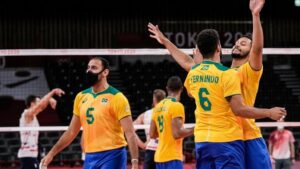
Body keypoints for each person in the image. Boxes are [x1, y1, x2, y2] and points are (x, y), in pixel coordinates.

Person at [148, 0, 273, 168]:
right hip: (226, 137)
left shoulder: (249, 70)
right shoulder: (220, 72)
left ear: (249, 52)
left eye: (243, 44)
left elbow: (258, 48)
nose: (237, 44)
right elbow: (188, 62)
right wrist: (165, 42)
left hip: (248, 136)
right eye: (237, 42)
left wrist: (255, 15)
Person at [40, 57, 139, 169]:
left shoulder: (117, 98)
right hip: (90, 155)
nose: (89, 71)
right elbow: (72, 131)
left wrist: (135, 162)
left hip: (113, 154)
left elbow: (130, 133)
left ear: (105, 72)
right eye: (88, 68)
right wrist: (51, 153)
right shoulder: (81, 96)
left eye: (94, 68)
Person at [149, 76, 194, 169]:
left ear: (167, 88)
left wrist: (165, 132)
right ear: (181, 89)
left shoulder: (157, 107)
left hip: (159, 157)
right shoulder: (176, 106)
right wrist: (197, 128)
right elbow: (177, 134)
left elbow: (152, 134)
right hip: (172, 157)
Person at [18, 88, 65, 169]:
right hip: (27, 155)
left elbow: (41, 105)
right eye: (38, 102)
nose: (41, 103)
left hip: (32, 155)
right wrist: (53, 92)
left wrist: (49, 99)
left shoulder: (33, 116)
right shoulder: (27, 114)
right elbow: (41, 105)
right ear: (32, 104)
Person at [133, 89, 166, 169]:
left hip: (151, 150)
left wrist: (142, 145)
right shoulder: (169, 112)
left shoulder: (146, 114)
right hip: (164, 150)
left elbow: (130, 130)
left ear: (154, 99)